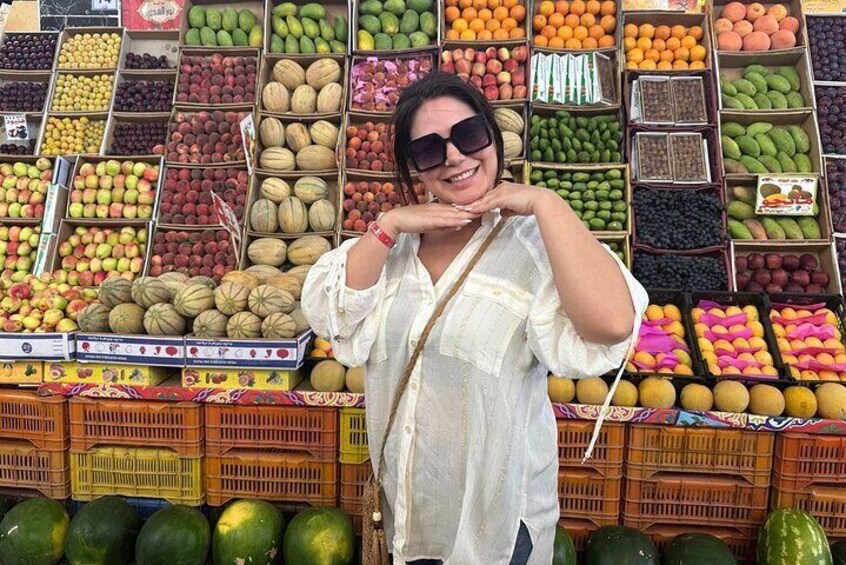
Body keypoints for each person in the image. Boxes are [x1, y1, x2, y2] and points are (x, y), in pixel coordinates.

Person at [302, 71, 648, 564]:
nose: (454, 157)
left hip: (496, 523)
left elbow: (612, 325)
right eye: (429, 149)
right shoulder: (394, 248)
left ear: (492, 135)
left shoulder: (535, 247)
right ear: (414, 166)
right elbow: (332, 314)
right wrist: (389, 225)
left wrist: (545, 203)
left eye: (468, 135)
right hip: (410, 511)